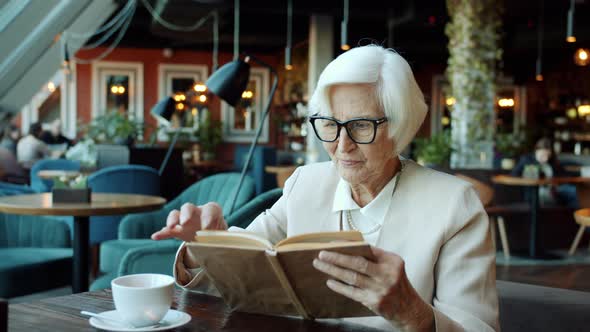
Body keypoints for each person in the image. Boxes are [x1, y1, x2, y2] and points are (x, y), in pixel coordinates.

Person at [152, 45, 499, 331]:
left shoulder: (454, 206)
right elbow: (238, 281)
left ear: (399, 127)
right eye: (330, 124)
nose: (342, 145)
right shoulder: (306, 184)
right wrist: (207, 246)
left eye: (361, 125)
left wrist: (414, 314)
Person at [511, 137, 578, 207]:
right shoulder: (527, 160)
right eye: (543, 155)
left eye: (548, 155)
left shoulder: (552, 162)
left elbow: (565, 175)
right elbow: (514, 174)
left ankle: (572, 215)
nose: (545, 159)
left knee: (572, 190)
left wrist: (556, 183)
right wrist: (528, 175)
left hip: (553, 191)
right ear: (536, 150)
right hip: (533, 191)